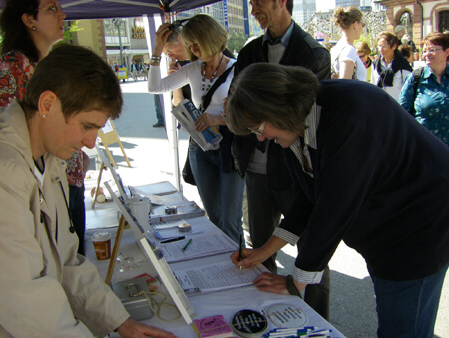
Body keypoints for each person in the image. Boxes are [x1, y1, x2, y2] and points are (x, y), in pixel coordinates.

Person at [227, 63, 449, 338]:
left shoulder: (350, 114)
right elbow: (307, 199)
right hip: (388, 227)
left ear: (276, 108)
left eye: (258, 127)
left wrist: (296, 281)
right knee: (394, 316)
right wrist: (264, 251)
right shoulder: (295, 124)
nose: (261, 137)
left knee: (404, 330)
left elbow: (334, 208)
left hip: (419, 226)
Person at [0, 44, 175, 337]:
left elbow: (66, 261)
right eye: (86, 126)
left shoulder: (50, 159)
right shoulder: (6, 173)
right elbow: (25, 299)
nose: (92, 143)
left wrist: (120, 322)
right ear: (47, 105)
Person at [231, 0, 331, 320]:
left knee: (312, 252)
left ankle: (315, 318)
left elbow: (331, 214)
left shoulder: (313, 54)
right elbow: (240, 103)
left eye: (258, 1)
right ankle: (274, 315)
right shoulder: (249, 52)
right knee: (263, 244)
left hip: (293, 169)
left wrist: (297, 280)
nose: (253, 9)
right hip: (258, 171)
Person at [0, 0, 90, 255]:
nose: (62, 14)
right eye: (51, 8)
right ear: (29, 20)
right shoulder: (12, 68)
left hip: (68, 182)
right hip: (40, 195)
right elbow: (9, 139)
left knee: (74, 262)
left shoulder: (46, 66)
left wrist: (76, 154)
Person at [148, 14, 244, 244]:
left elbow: (248, 117)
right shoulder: (193, 69)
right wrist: (157, 48)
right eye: (189, 44)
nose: (193, 49)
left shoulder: (237, 69)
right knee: (214, 217)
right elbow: (155, 87)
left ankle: (238, 267)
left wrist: (218, 120)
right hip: (199, 151)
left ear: (210, 38)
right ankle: (221, 269)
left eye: (196, 43)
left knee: (230, 221)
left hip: (229, 151)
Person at [399, 32, 449, 145]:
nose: (427, 54)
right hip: (425, 149)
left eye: (432, 50)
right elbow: (402, 114)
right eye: (424, 51)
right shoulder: (416, 78)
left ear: (447, 52)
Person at [371, 31, 413, 101]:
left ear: (394, 46)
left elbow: (409, 89)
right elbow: (373, 87)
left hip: (397, 107)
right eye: (379, 46)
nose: (381, 49)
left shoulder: (402, 65)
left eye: (384, 46)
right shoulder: (376, 65)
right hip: (379, 106)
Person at [330, 6, 366, 80]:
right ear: (355, 24)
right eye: (362, 24)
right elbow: (345, 84)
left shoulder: (335, 49)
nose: (362, 28)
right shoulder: (349, 50)